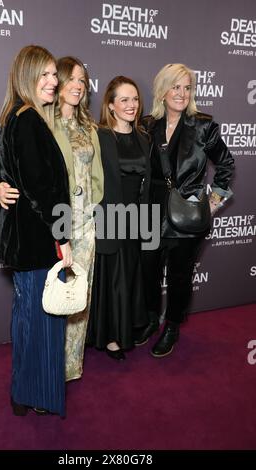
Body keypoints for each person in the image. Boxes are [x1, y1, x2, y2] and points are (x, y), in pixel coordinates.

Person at [0, 56, 104, 382]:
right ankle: (46, 371)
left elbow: (97, 179)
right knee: (46, 303)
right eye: (71, 78)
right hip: (52, 226)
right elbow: (23, 174)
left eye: (83, 80)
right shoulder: (40, 117)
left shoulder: (90, 129)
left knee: (77, 299)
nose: (77, 86)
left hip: (83, 223)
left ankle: (70, 367)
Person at [0, 45, 71, 417]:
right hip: (38, 239)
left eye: (55, 74)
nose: (53, 81)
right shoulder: (28, 120)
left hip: (25, 240)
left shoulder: (13, 116)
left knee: (28, 315)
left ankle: (24, 390)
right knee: (42, 318)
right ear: (27, 76)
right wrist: (64, 236)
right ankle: (35, 392)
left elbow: (7, 175)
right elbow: (41, 190)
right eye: (45, 75)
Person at [138, 63, 234, 357]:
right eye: (175, 86)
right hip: (150, 213)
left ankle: (172, 327)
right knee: (148, 271)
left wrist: (212, 202)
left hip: (186, 217)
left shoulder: (204, 125)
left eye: (187, 87)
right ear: (162, 90)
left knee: (179, 275)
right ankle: (152, 319)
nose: (181, 93)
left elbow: (226, 166)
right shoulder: (147, 125)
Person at [86, 76, 150, 360]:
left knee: (131, 275)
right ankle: (112, 336)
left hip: (137, 218)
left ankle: (127, 328)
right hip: (110, 217)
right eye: (124, 99)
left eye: (134, 99)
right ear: (110, 105)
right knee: (113, 278)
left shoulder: (143, 137)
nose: (131, 105)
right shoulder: (98, 137)